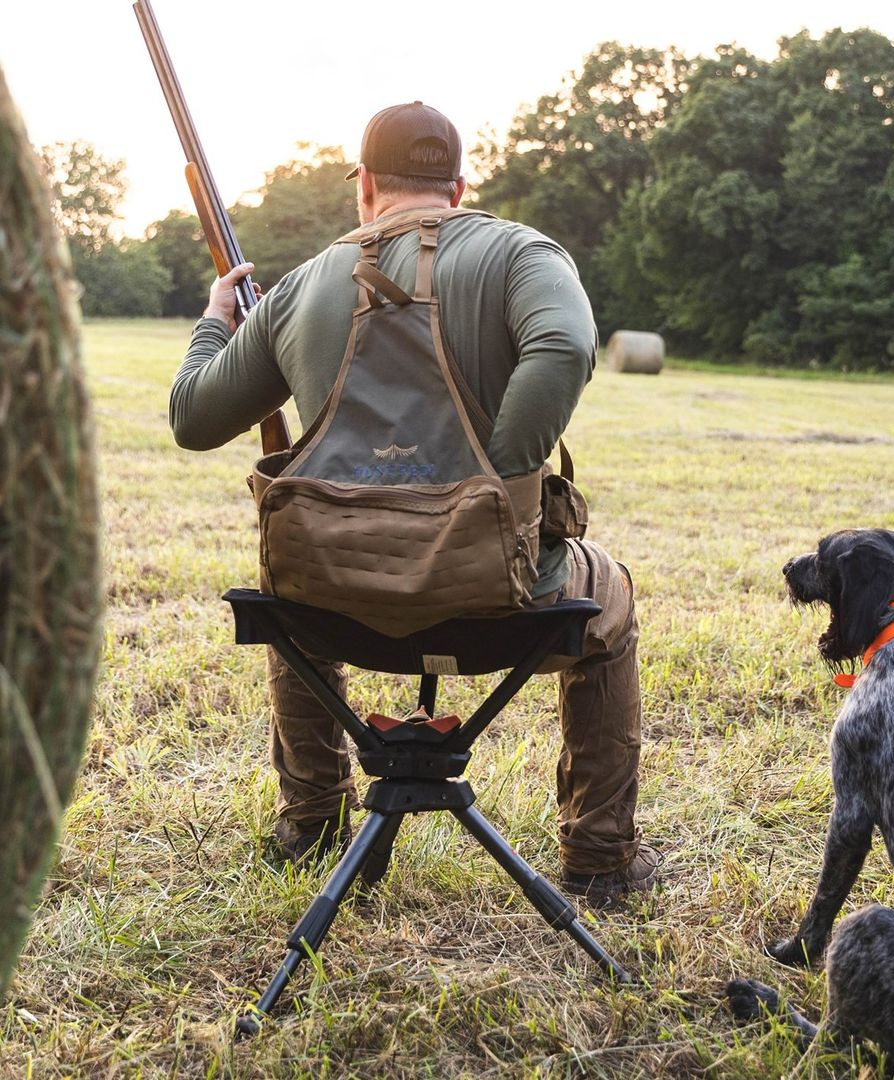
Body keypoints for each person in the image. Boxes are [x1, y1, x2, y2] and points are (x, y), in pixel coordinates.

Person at [170, 102, 656, 903]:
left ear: (364, 185)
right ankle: (600, 859)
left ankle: (312, 824)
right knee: (611, 596)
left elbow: (193, 418)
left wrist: (213, 324)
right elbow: (566, 345)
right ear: (458, 188)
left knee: (294, 575)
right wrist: (503, 486)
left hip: (333, 612)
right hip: (500, 608)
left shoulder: (300, 286)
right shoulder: (522, 253)